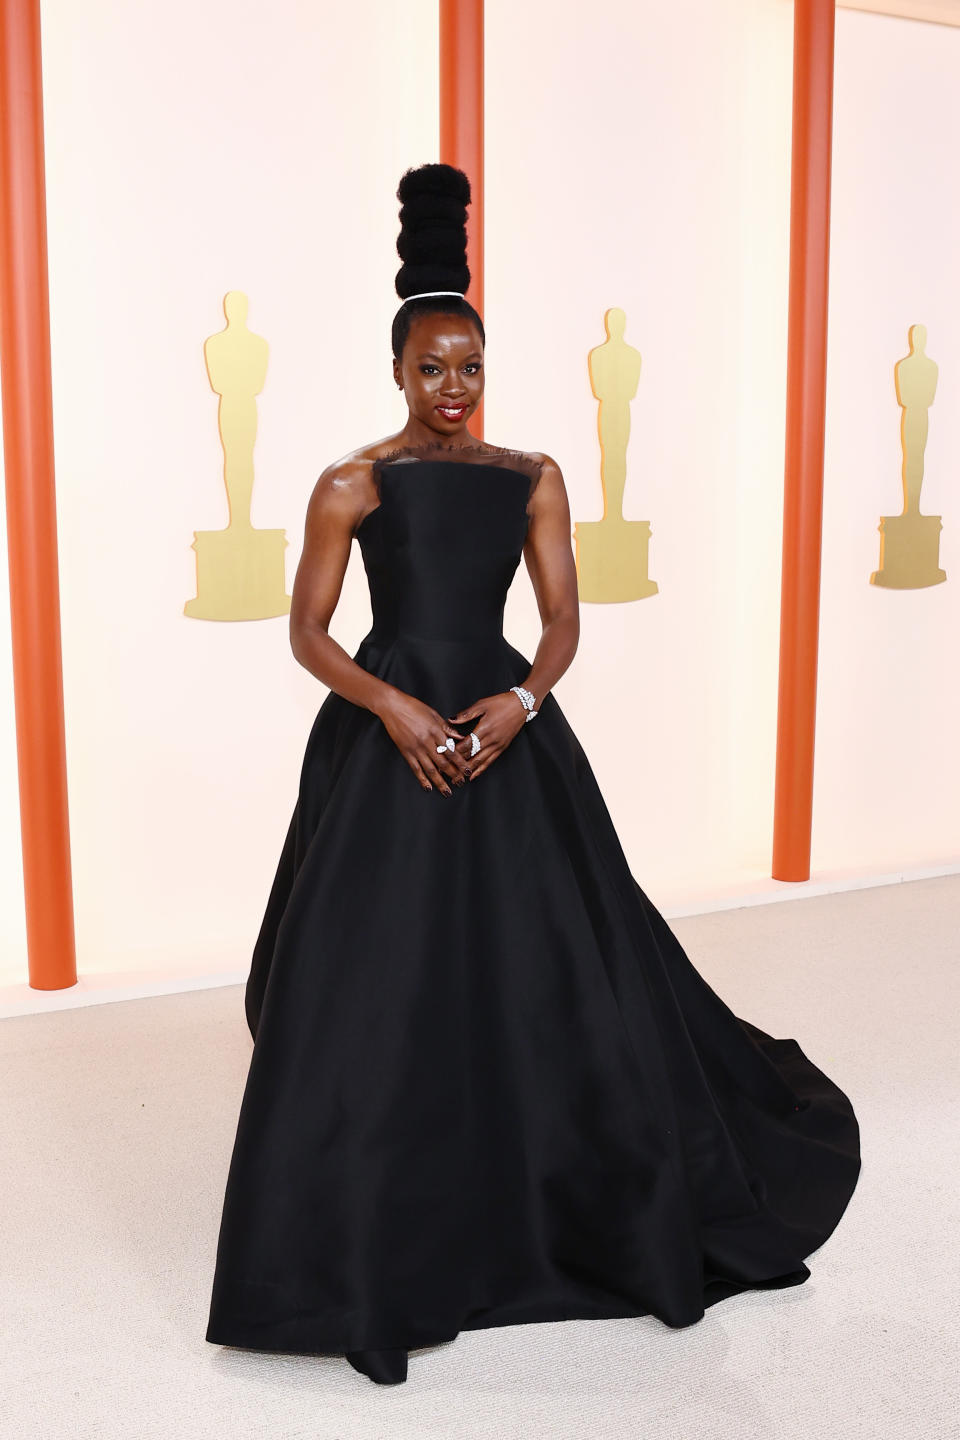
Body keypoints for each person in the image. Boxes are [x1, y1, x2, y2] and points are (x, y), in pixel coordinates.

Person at [205, 163, 861, 1387]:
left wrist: (523, 699)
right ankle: (372, 1259)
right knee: (372, 993)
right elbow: (307, 633)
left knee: (557, 974)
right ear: (395, 370)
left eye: (470, 368)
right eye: (430, 368)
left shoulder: (533, 476)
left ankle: (561, 1200)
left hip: (503, 729)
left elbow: (560, 623)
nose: (452, 390)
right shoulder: (350, 482)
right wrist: (392, 704)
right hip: (393, 733)